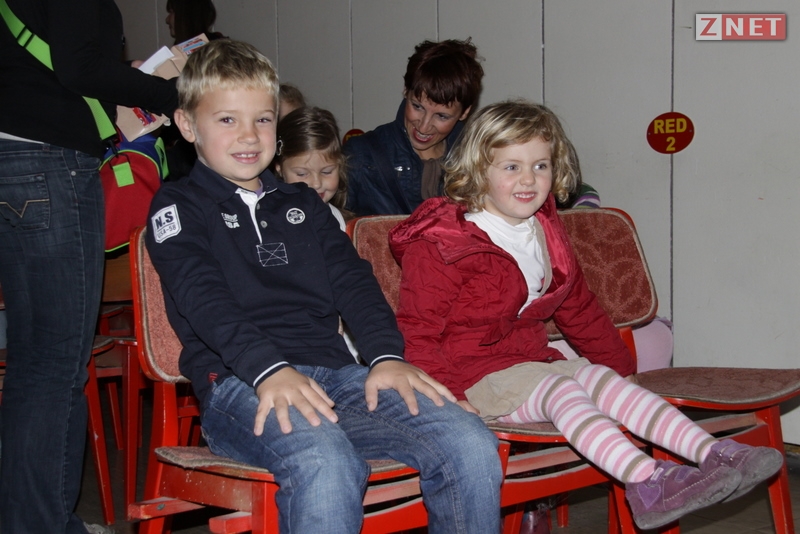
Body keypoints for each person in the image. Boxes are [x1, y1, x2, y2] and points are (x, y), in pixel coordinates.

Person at [146, 39, 502, 533]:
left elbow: (353, 281)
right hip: (240, 384)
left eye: (263, 119)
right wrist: (269, 369)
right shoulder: (177, 206)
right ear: (187, 125)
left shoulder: (304, 203)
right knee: (326, 461)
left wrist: (386, 356)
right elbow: (203, 299)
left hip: (337, 378)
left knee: (469, 441)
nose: (248, 135)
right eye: (227, 119)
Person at [388, 100, 784, 531]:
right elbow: (417, 332)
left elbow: (579, 308)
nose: (529, 179)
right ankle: (647, 482)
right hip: (472, 378)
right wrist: (450, 399)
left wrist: (622, 370)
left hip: (530, 363)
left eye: (541, 166)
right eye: (511, 167)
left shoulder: (543, 228)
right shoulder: (443, 242)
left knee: (601, 378)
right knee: (563, 390)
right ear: (478, 170)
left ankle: (715, 454)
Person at [0, 0, 178, 532]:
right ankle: (42, 525)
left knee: (32, 362)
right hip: (46, 161)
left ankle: (25, 518)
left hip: (11, 158)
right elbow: (80, 68)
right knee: (54, 365)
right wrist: (175, 93)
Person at [344, 38, 484, 216]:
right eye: (417, 107)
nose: (424, 127)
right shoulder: (360, 154)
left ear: (465, 112)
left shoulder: (478, 161)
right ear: (405, 90)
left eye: (442, 116)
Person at [274, 106, 350, 230]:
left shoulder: (337, 219)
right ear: (280, 169)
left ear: (340, 165)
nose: (316, 184)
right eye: (302, 174)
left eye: (326, 172)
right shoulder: (273, 221)